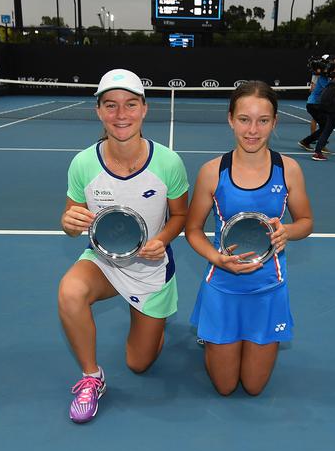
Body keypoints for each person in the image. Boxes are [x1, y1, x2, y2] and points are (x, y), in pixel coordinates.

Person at [58, 68, 189, 424]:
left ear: (144, 109)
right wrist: (69, 223)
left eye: (130, 105)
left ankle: (152, 325)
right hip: (104, 262)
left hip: (150, 267)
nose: (121, 115)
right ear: (99, 111)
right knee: (70, 292)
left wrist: (161, 239)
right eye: (111, 106)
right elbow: (72, 217)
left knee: (139, 363)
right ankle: (90, 377)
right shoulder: (83, 163)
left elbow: (180, 215)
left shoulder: (168, 163)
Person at [186, 81, 314, 396]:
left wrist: (288, 231)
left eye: (263, 120)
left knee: (254, 387)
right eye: (244, 119)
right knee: (226, 386)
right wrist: (216, 258)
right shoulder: (212, 172)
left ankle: (230, 338)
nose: (253, 130)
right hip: (223, 287)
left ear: (275, 122)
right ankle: (215, 334)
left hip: (268, 289)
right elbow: (192, 230)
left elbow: (306, 221)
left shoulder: (289, 170)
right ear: (230, 119)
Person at [298, 54, 334, 153]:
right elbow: (330, 88)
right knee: (326, 126)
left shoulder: (325, 77)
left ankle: (313, 143)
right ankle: (308, 142)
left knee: (325, 126)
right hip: (313, 105)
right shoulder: (323, 79)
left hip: (316, 104)